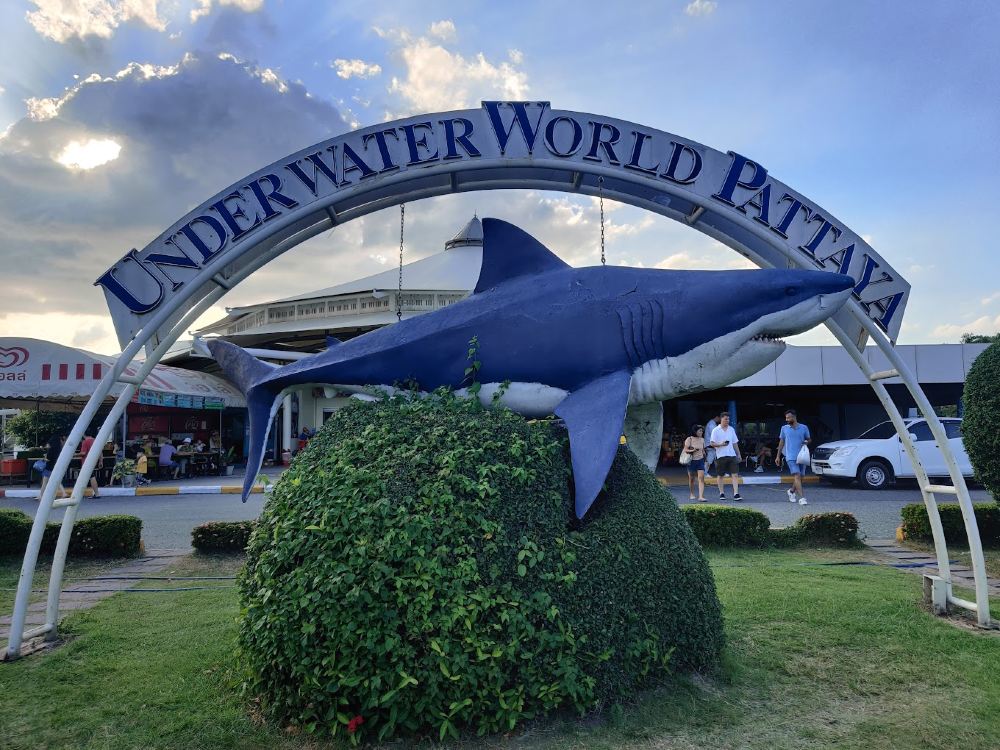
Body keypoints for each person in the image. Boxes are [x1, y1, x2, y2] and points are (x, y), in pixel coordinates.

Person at [777, 409, 812, 506]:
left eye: (788, 418)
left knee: (801, 476)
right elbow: (781, 442)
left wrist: (806, 442)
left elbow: (809, 439)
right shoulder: (784, 428)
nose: (787, 419)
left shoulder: (804, 427)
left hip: (802, 455)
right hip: (790, 456)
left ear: (794, 417)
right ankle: (802, 498)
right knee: (797, 475)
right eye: (786, 418)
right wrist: (778, 456)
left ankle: (791, 491)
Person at [709, 412, 743, 501]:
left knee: (735, 474)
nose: (727, 421)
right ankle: (721, 493)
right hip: (721, 455)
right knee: (720, 475)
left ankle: (736, 493)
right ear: (721, 419)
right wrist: (721, 444)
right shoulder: (716, 430)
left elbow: (735, 443)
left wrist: (738, 454)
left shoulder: (731, 429)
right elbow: (712, 443)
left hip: (732, 455)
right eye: (725, 419)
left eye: (728, 419)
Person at [683, 425, 707, 502]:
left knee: (701, 478)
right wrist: (693, 450)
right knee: (691, 479)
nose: (701, 432)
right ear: (695, 431)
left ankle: (701, 496)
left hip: (700, 460)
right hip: (691, 461)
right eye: (700, 431)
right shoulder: (689, 439)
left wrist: (705, 457)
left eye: (702, 431)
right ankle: (692, 494)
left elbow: (703, 450)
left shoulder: (702, 439)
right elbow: (685, 450)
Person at [40, 434, 67, 500]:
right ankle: (64, 493)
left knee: (44, 482)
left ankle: (41, 496)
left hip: (49, 467)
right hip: (55, 466)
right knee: (57, 481)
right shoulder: (59, 449)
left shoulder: (51, 450)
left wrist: (44, 458)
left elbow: (48, 459)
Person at [79, 432, 102, 498]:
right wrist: (101, 461)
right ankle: (81, 493)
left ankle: (96, 494)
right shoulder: (96, 441)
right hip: (94, 461)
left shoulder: (85, 441)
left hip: (86, 462)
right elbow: (100, 451)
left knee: (91, 477)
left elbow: (83, 453)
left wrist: (74, 454)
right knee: (86, 477)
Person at [704, 412, 721, 478]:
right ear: (716, 417)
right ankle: (704, 473)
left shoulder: (712, 423)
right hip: (710, 445)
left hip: (712, 445)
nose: (720, 419)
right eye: (719, 417)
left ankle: (721, 473)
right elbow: (714, 435)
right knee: (709, 459)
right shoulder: (711, 424)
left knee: (717, 460)